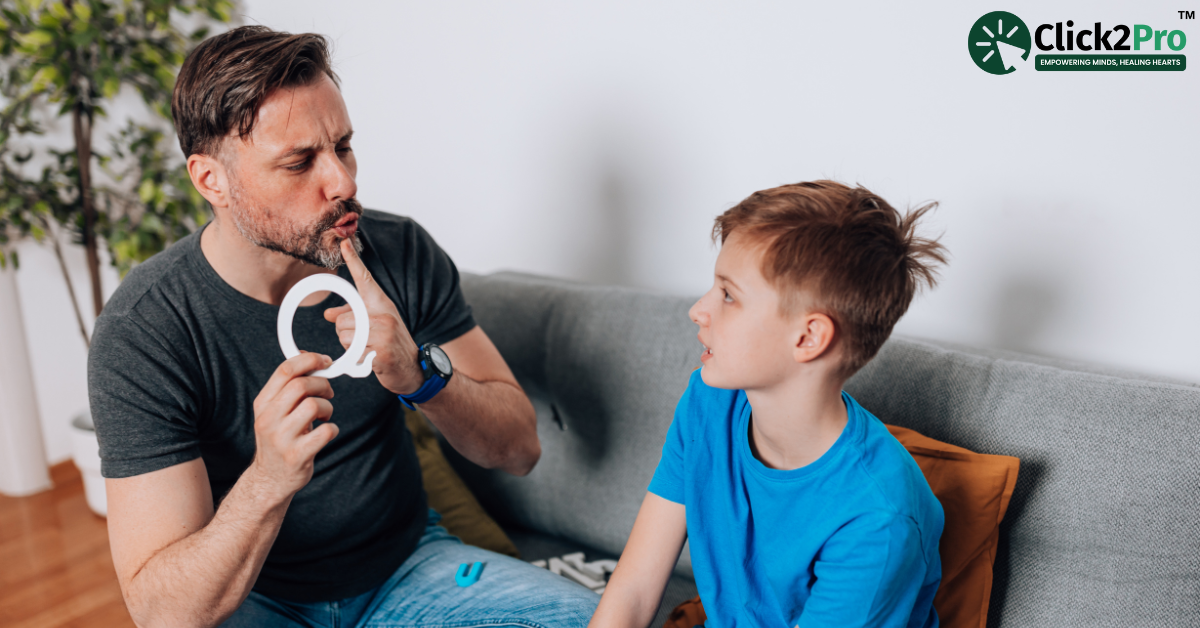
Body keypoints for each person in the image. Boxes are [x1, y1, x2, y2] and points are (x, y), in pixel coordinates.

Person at [88, 26, 598, 628]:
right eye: (299, 161)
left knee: (603, 618)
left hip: (408, 570)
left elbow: (519, 449)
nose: (344, 184)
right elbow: (161, 613)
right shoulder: (145, 330)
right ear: (211, 181)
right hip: (254, 597)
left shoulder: (399, 251)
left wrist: (421, 377)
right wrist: (269, 479)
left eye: (344, 146)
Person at [590, 181, 948, 627]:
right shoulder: (708, 401)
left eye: (728, 295)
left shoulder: (879, 518)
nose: (698, 310)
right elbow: (633, 590)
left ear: (808, 338)